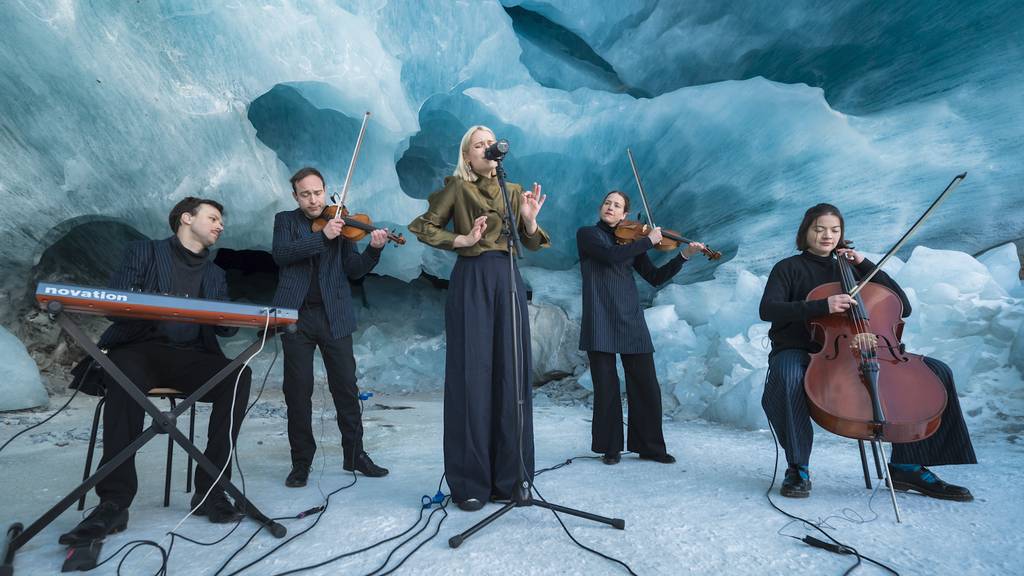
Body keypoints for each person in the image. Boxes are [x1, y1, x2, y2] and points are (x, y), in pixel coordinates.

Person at [60, 197, 252, 545]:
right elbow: (114, 306)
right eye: (213, 218)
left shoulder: (215, 273)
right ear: (186, 218)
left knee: (238, 375)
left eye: (221, 220)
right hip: (140, 351)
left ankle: (210, 491)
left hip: (190, 357)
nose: (220, 225)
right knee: (122, 371)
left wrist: (229, 317)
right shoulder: (143, 253)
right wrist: (155, 302)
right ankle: (114, 501)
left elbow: (226, 329)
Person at [759, 203, 976, 500]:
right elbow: (768, 309)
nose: (827, 236)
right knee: (787, 374)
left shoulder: (854, 269)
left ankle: (907, 466)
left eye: (834, 230)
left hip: (855, 349)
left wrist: (864, 265)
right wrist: (823, 305)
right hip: (800, 349)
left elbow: (902, 305)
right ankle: (798, 467)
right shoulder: (788, 268)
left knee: (936, 372)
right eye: (819, 229)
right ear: (805, 231)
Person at [408, 125, 549, 511]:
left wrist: (531, 220)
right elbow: (423, 227)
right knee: (472, 376)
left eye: (491, 143)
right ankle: (470, 482)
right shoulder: (457, 187)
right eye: (478, 144)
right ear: (468, 156)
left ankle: (512, 478)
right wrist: (463, 241)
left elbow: (533, 242)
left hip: (508, 278)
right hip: (472, 278)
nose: (487, 148)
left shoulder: (514, 190)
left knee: (511, 375)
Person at [273, 166, 390, 487]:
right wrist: (320, 237)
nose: (313, 200)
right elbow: (282, 254)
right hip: (295, 315)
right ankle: (301, 463)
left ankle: (355, 455)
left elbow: (353, 270)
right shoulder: (286, 221)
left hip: (333, 315)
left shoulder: (340, 222)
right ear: (295, 196)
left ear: (326, 191)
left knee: (346, 388)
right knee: (297, 391)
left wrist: (374, 249)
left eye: (317, 192)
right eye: (305, 194)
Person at [577, 191, 704, 465]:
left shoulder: (631, 239)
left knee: (645, 385)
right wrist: (647, 241)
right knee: (606, 386)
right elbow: (610, 256)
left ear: (625, 215)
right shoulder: (588, 235)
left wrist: (684, 255)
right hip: (599, 317)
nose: (610, 207)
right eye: (607, 203)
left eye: (617, 205)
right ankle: (610, 448)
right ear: (602, 208)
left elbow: (655, 277)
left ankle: (650, 447)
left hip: (629, 317)